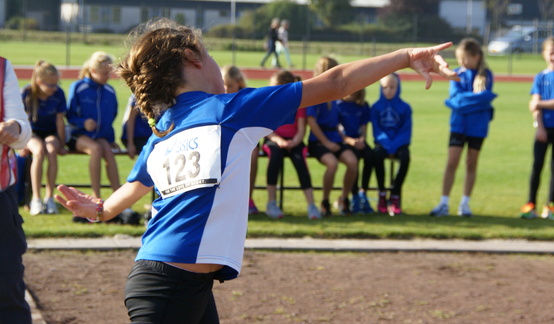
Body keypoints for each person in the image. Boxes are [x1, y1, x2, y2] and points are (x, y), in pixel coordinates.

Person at [54, 19, 457, 323]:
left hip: (177, 284)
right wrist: (405, 57)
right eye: (210, 55)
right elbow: (334, 83)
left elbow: (125, 194)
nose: (215, 64)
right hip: (166, 288)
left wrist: (100, 210)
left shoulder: (163, 132)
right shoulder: (231, 109)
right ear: (192, 59)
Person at [430, 38, 497, 217]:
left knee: (471, 163)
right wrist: (479, 100)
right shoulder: (456, 73)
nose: (462, 63)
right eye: (460, 59)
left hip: (478, 127)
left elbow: (462, 101)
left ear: (476, 57)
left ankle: (465, 204)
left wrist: (465, 101)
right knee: (452, 162)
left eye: (465, 58)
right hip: (458, 125)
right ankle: (444, 203)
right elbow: (458, 100)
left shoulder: (486, 75)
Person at [520, 37, 554, 220]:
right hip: (542, 128)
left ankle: (550, 206)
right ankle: (530, 204)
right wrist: (539, 127)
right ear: (544, 54)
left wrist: (539, 103)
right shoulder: (540, 77)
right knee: (537, 165)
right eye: (551, 53)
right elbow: (533, 107)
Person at [0, 56, 33, 324]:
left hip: (1, 198)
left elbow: (22, 131)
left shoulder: (2, 67)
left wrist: (15, 127)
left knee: (7, 283)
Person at [262, 70, 320, 219]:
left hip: (294, 141)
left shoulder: (299, 104)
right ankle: (271, 203)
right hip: (274, 140)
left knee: (300, 161)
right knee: (275, 158)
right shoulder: (269, 103)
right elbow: (267, 129)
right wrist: (279, 140)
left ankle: (311, 205)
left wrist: (295, 141)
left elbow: (301, 130)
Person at [307, 56, 358, 217]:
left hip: (335, 137)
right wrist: (326, 143)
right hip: (318, 140)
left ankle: (343, 199)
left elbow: (336, 122)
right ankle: (325, 201)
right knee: (332, 164)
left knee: (352, 162)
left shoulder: (336, 94)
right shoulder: (314, 93)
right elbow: (312, 122)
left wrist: (343, 138)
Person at [66, 51, 120, 199]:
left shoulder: (109, 91)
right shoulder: (78, 87)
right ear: (93, 71)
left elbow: (111, 118)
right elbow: (69, 115)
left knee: (108, 151)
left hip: (100, 135)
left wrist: (110, 139)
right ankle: (96, 197)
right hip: (77, 134)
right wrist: (83, 122)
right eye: (104, 73)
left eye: (109, 73)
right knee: (96, 149)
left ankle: (119, 197)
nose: (108, 77)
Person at [21, 60, 68, 215]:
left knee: (51, 150)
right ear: (39, 82)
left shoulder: (58, 93)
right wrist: (22, 143)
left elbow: (60, 122)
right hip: (31, 133)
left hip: (50, 133)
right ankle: (36, 198)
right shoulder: (27, 93)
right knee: (39, 152)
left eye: (56, 84)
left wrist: (61, 143)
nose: (54, 88)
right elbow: (22, 121)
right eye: (50, 85)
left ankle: (49, 198)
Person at [370, 73, 412, 216]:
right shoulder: (375, 107)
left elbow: (406, 131)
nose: (388, 90)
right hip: (383, 143)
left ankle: (394, 195)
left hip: (399, 144)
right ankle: (382, 193)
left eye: (392, 87)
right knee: (376, 155)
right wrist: (387, 144)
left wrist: (395, 145)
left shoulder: (405, 108)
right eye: (385, 87)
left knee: (405, 157)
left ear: (398, 87)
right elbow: (376, 131)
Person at [221, 65, 260, 215]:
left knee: (253, 154)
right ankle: (225, 199)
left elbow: (253, 122)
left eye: (230, 85)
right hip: (224, 137)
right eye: (223, 84)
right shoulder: (216, 96)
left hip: (246, 137)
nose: (226, 88)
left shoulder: (246, 97)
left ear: (239, 83)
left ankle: (247, 198)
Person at [336, 89, 375, 214]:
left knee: (370, 156)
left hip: (358, 140)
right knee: (354, 159)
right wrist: (350, 141)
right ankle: (354, 195)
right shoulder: (338, 105)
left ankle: (363, 191)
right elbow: (338, 130)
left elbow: (364, 128)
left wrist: (362, 139)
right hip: (345, 142)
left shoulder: (363, 105)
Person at [121, 94, 153, 159]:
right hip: (139, 136)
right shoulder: (139, 94)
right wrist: (130, 144)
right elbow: (130, 120)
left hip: (153, 135)